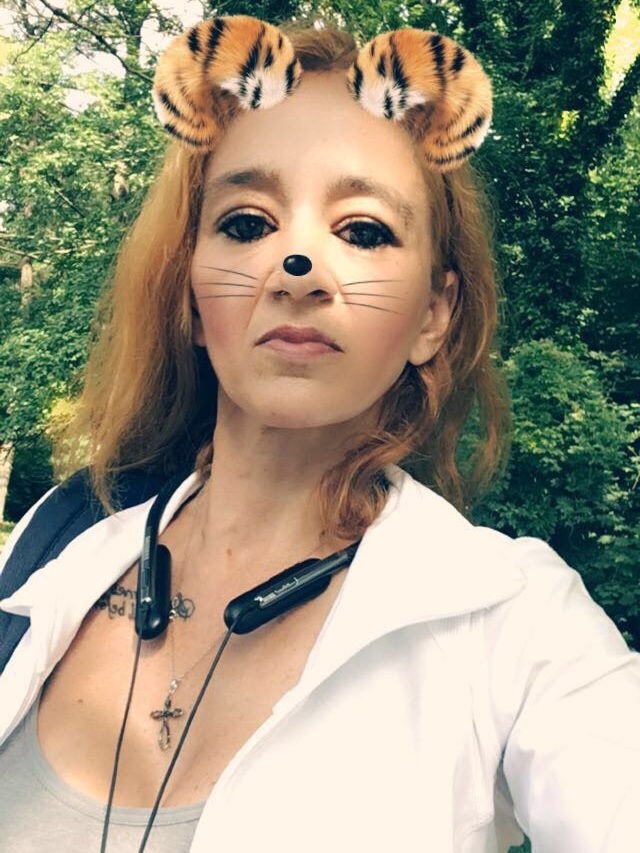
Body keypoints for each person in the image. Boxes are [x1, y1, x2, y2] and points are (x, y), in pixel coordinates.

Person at [0, 15, 638, 853]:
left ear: (434, 315)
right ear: (190, 292)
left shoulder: (515, 625)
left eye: (363, 230)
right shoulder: (57, 537)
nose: (295, 269)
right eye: (246, 223)